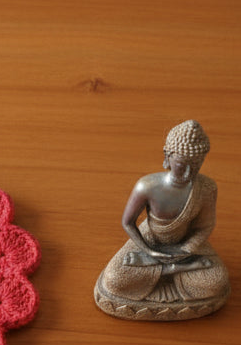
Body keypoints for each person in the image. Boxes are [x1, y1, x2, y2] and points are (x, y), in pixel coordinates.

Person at [95, 120, 230, 318]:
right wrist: (149, 250)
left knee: (216, 281)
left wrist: (186, 250)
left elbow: (205, 226)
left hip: (185, 244)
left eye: (196, 166)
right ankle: (175, 270)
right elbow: (127, 222)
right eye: (181, 165)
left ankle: (167, 269)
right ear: (167, 157)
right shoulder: (147, 186)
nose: (187, 173)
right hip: (150, 239)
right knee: (114, 279)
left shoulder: (206, 188)